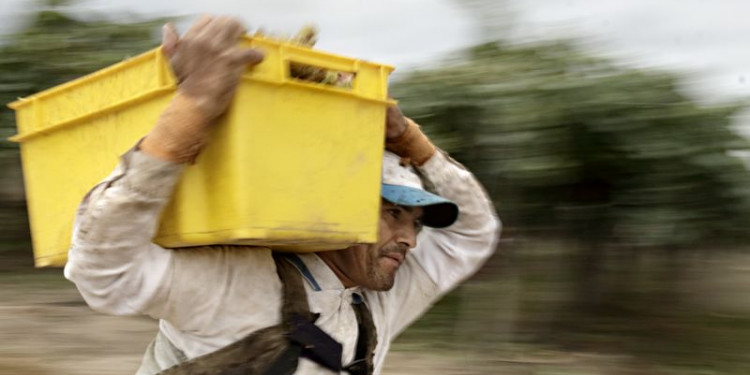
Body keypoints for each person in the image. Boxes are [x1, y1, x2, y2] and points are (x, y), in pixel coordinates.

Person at [64, 15, 500, 375]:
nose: (411, 238)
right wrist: (190, 110)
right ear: (336, 206)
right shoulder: (240, 280)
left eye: (416, 222)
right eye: (391, 213)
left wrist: (411, 141)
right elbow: (105, 273)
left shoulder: (381, 298)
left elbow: (476, 233)